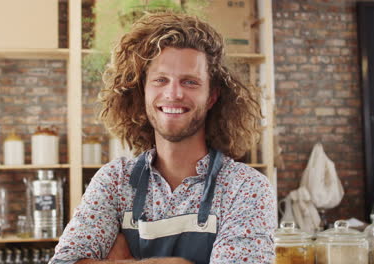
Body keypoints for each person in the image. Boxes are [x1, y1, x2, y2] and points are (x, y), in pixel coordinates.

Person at [50, 12, 276, 264]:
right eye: (160, 80)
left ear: (212, 97)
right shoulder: (115, 181)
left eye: (190, 82)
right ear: (143, 91)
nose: (173, 93)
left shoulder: (245, 188)